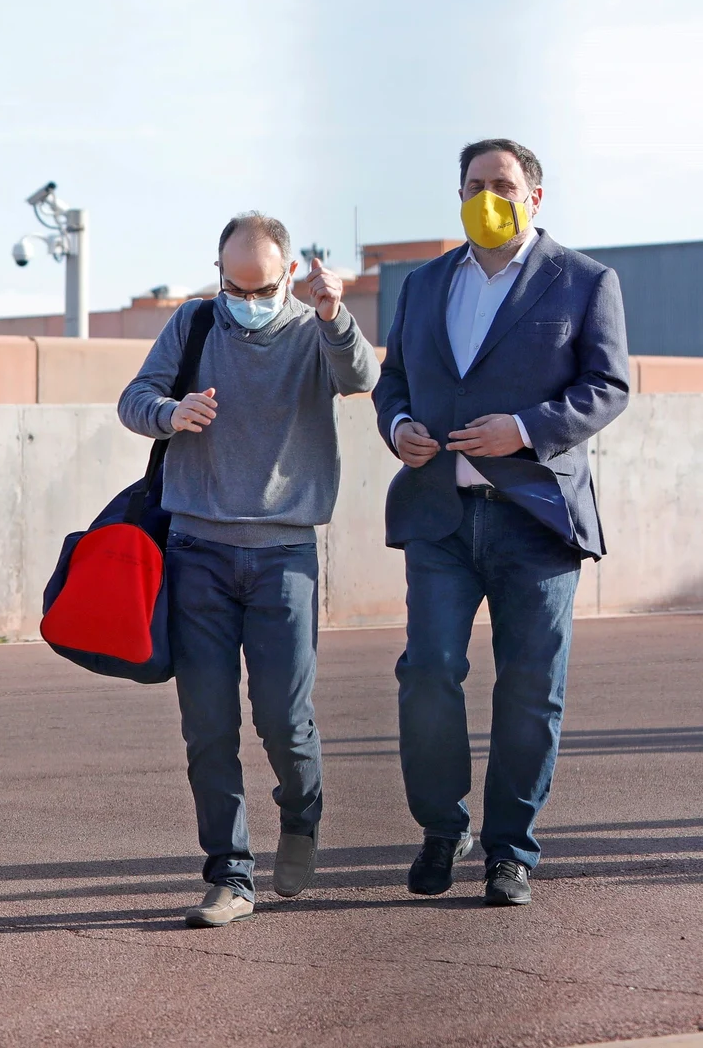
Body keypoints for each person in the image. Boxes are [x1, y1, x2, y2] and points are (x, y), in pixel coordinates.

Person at [374, 139, 629, 907]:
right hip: (440, 516)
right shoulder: (424, 284)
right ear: (460, 193)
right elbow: (392, 383)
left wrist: (523, 428)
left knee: (530, 687)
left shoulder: (585, 281)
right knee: (427, 673)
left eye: (505, 185)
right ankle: (440, 828)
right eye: (476, 184)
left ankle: (509, 849)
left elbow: (609, 385)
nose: (490, 195)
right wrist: (400, 427)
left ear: (535, 197)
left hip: (535, 517)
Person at [119, 213, 378, 928]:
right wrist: (173, 412)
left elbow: (361, 376)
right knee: (207, 724)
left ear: (288, 274)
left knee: (283, 718)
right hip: (196, 549)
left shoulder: (312, 329)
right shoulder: (196, 322)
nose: (246, 298)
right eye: (233, 284)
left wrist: (333, 312)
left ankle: (302, 812)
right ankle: (229, 873)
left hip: (284, 554)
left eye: (261, 286)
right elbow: (133, 401)